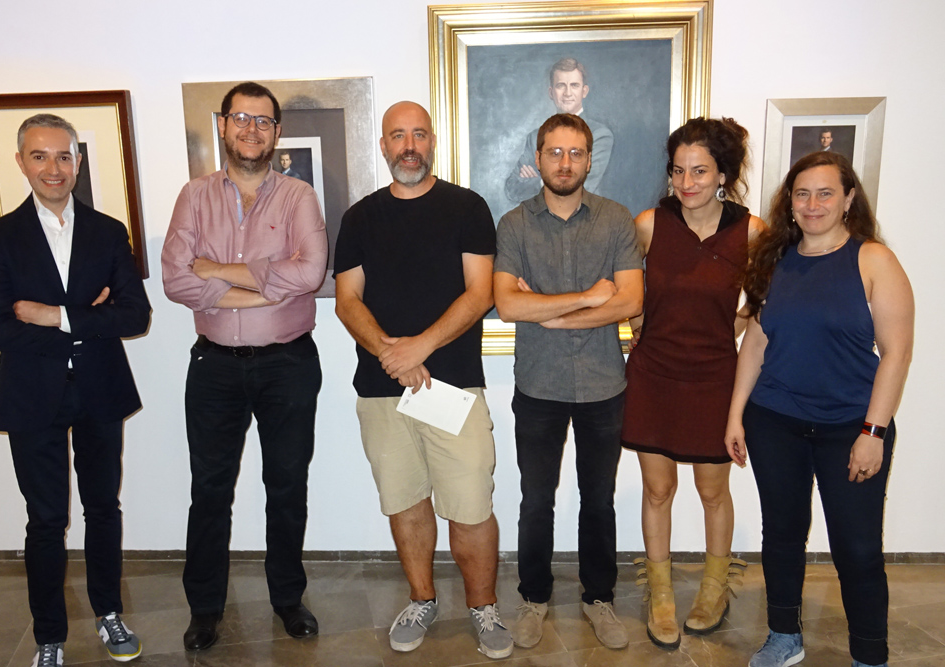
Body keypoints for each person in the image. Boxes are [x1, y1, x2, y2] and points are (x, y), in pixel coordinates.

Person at [333, 101, 512, 659]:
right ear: (383, 146)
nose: (408, 146)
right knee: (405, 502)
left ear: (432, 141)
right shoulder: (359, 218)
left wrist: (421, 347)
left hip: (451, 387)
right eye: (397, 136)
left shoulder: (467, 207)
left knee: (470, 505)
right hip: (382, 389)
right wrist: (394, 356)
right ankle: (422, 599)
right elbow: (347, 301)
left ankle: (483, 608)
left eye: (418, 134)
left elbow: (480, 293)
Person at [725, 151, 914, 667]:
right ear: (789, 202)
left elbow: (896, 353)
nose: (812, 204)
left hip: (850, 427)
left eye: (825, 193)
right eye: (802, 194)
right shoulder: (773, 259)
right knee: (782, 535)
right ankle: (784, 636)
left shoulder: (872, 260)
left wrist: (873, 432)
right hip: (774, 420)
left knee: (857, 547)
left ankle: (870, 656)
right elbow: (756, 342)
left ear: (849, 198)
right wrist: (735, 414)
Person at [0, 113, 150, 667]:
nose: (53, 168)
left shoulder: (108, 231)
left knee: (103, 508)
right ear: (21, 162)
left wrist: (54, 315)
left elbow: (134, 315)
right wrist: (88, 319)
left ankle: (108, 612)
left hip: (100, 389)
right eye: (40, 156)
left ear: (77, 161)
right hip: (32, 395)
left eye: (64, 156)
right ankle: (49, 636)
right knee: (46, 520)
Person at [162, 81, 327, 651]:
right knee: (209, 489)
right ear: (223, 126)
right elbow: (176, 280)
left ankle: (288, 599)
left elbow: (310, 274)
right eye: (241, 119)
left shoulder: (299, 196)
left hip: (288, 364)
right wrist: (262, 289)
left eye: (262, 121)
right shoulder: (194, 196)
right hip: (214, 367)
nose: (251, 130)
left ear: (277, 132)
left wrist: (216, 271)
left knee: (286, 484)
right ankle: (205, 608)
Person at [494, 113, 644, 651]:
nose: (565, 163)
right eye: (554, 152)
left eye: (575, 153)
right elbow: (508, 305)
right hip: (539, 386)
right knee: (536, 500)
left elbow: (631, 300)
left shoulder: (616, 219)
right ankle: (533, 598)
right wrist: (587, 298)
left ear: (588, 159)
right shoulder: (514, 225)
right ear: (538, 159)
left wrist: (552, 313)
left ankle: (598, 598)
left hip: (604, 386)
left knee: (598, 499)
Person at [621, 117, 765, 650]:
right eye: (678, 170)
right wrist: (637, 326)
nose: (687, 182)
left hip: (714, 377)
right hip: (654, 375)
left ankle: (713, 589)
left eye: (699, 171)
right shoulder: (649, 225)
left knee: (712, 491)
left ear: (723, 174)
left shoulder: (752, 232)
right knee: (658, 490)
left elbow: (767, 301)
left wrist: (738, 322)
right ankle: (660, 595)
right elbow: (625, 288)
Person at [504, 58, 614, 203]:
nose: (567, 93)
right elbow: (512, 189)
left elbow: (581, 189)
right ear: (551, 92)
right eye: (561, 85)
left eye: (574, 85)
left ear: (584, 91)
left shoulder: (599, 135)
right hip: (539, 218)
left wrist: (540, 180)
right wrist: (547, 181)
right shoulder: (535, 137)